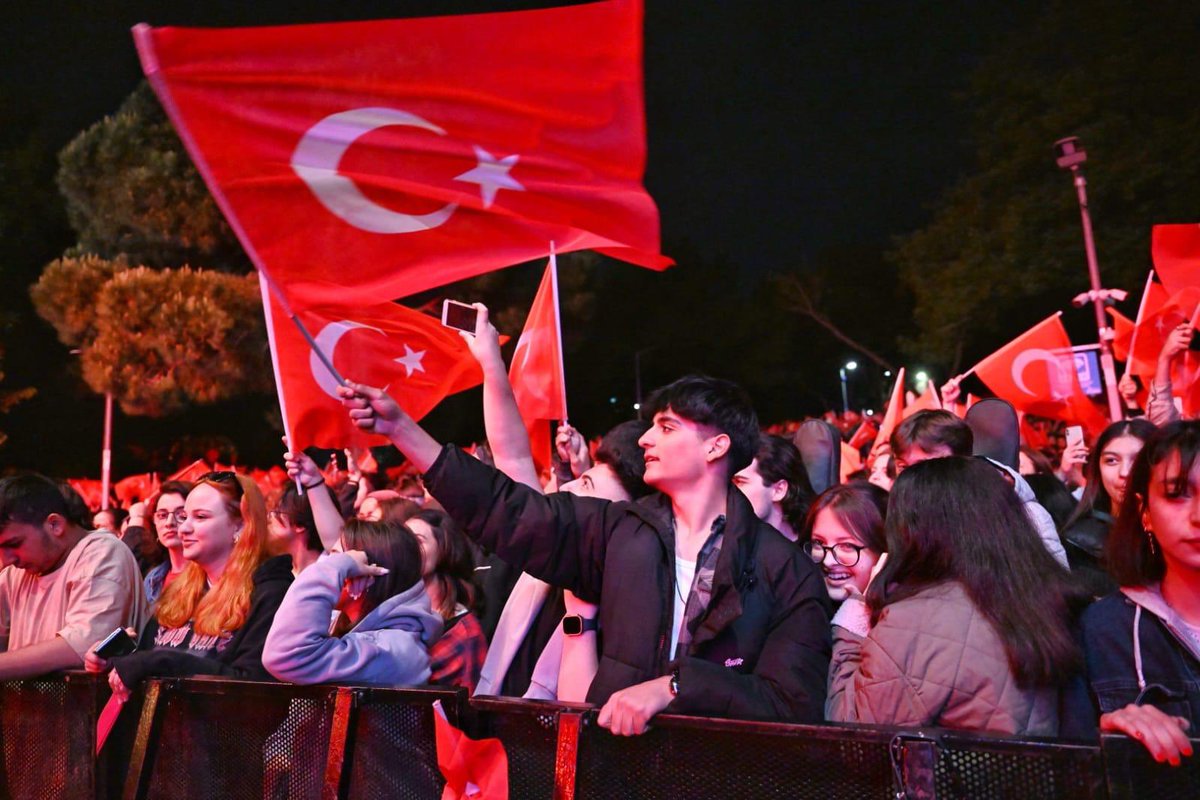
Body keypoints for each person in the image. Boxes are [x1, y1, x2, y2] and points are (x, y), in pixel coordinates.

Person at [338, 373, 832, 734]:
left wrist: (677, 687)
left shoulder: (784, 570)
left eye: (666, 427)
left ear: (716, 447)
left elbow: (793, 706)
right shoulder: (617, 533)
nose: (645, 439)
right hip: (614, 775)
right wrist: (404, 432)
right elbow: (507, 509)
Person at [827, 457, 1087, 735]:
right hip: (1046, 774)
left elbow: (853, 733)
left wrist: (854, 619)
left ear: (911, 530)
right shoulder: (1048, 591)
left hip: (961, 778)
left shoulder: (915, 621)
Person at [86, 472, 293, 697]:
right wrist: (116, 661)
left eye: (201, 517)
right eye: (185, 517)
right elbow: (146, 659)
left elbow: (251, 690)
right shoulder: (180, 590)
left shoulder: (271, 592)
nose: (183, 528)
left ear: (240, 525)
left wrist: (161, 662)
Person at [1079, 421, 1200, 766]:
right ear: (1145, 510)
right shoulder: (1103, 631)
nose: (1198, 516)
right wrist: (1105, 735)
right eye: (1176, 493)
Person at [0, 474, 147, 679]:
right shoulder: (15, 575)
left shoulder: (103, 552)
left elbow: (80, 647)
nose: (6, 560)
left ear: (54, 525)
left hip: (91, 711)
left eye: (13, 544)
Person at [263, 518, 441, 686]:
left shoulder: (392, 650)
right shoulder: (377, 637)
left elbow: (285, 655)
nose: (330, 566)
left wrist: (333, 568)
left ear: (370, 575)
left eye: (340, 560)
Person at [890, 410, 1069, 567]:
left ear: (963, 461)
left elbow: (1056, 594)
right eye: (903, 468)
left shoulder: (1025, 515)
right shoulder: (903, 521)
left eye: (927, 466)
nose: (912, 480)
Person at [1061, 419, 1156, 596]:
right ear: (1098, 468)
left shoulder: (1182, 531)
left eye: (1139, 460)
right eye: (1111, 461)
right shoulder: (1078, 542)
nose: (1125, 472)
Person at [406, 508, 488, 692]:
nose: (408, 548)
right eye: (404, 539)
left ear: (444, 549)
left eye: (418, 540)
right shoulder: (388, 611)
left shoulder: (464, 631)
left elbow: (468, 707)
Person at [800, 482, 887, 603]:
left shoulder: (904, 616)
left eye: (847, 546)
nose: (828, 561)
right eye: (818, 542)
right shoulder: (800, 605)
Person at [733, 434, 814, 542]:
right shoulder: (727, 542)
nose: (729, 490)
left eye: (740, 482)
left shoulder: (813, 552)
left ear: (779, 490)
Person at [142, 481, 193, 605]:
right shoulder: (152, 578)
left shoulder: (210, 577)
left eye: (181, 515)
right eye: (162, 515)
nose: (169, 522)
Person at [267, 483, 325, 576]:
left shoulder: (325, 576)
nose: (269, 517)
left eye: (277, 511)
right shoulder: (281, 573)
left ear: (300, 525)